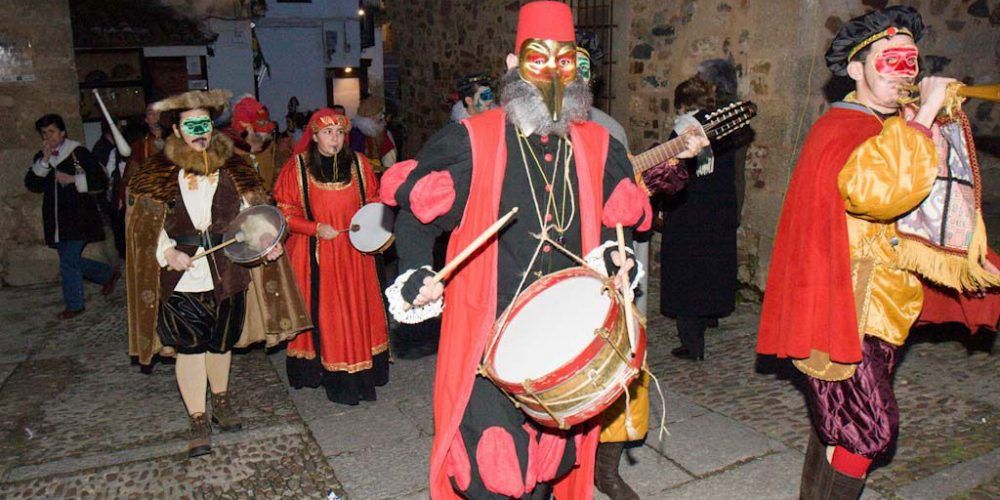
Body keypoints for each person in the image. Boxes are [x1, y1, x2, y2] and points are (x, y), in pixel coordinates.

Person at [379, 3, 706, 498]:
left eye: (566, 61)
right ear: (513, 65)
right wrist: (416, 269)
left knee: (548, 470)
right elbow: (417, 214)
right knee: (494, 469)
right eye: (539, 59)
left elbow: (613, 224)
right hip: (489, 338)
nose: (554, 74)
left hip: (566, 338)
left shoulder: (596, 144)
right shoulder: (474, 141)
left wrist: (616, 261)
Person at [756, 6, 998, 498]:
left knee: (840, 425)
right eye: (890, 61)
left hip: (884, 308)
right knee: (869, 430)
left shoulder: (886, 126)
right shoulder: (844, 128)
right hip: (846, 311)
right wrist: (926, 116)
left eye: (911, 62)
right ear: (856, 70)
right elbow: (877, 192)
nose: (905, 72)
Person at [125, 89, 309, 458]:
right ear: (176, 130)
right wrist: (166, 252)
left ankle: (221, 399)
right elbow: (143, 223)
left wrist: (266, 243)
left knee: (220, 342)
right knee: (190, 349)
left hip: (228, 271)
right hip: (183, 277)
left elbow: (251, 215)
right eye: (190, 125)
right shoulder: (156, 172)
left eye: (204, 124)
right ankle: (197, 417)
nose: (199, 132)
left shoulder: (235, 165)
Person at [273, 108, 390, 405]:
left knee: (360, 309)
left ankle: (363, 372)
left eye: (339, 133)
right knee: (329, 314)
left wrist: (380, 234)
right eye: (327, 133)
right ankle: (330, 375)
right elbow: (286, 212)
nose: (334, 139)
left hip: (356, 254)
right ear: (314, 136)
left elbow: (376, 202)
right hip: (319, 255)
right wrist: (314, 228)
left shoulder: (360, 165)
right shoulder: (297, 168)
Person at [655, 73, 746, 362]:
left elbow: (668, 173)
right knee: (712, 269)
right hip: (718, 213)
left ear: (682, 104)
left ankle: (692, 344)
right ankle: (711, 317)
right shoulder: (724, 128)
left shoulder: (684, 131)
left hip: (688, 214)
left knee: (687, 276)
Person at [25, 113, 115, 319]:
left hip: (79, 217)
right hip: (56, 220)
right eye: (44, 133)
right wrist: (45, 161)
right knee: (70, 259)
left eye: (52, 131)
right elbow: (32, 185)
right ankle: (107, 273)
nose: (49, 136)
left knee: (68, 262)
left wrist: (74, 179)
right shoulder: (42, 157)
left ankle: (75, 305)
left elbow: (100, 181)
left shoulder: (78, 153)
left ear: (63, 132)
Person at [225, 95, 289, 191]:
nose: (267, 128)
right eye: (261, 123)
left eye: (265, 122)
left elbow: (282, 182)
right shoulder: (229, 158)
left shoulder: (274, 152)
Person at [350, 94, 397, 174]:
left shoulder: (381, 132)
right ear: (371, 117)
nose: (381, 117)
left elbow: (389, 156)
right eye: (379, 115)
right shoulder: (356, 134)